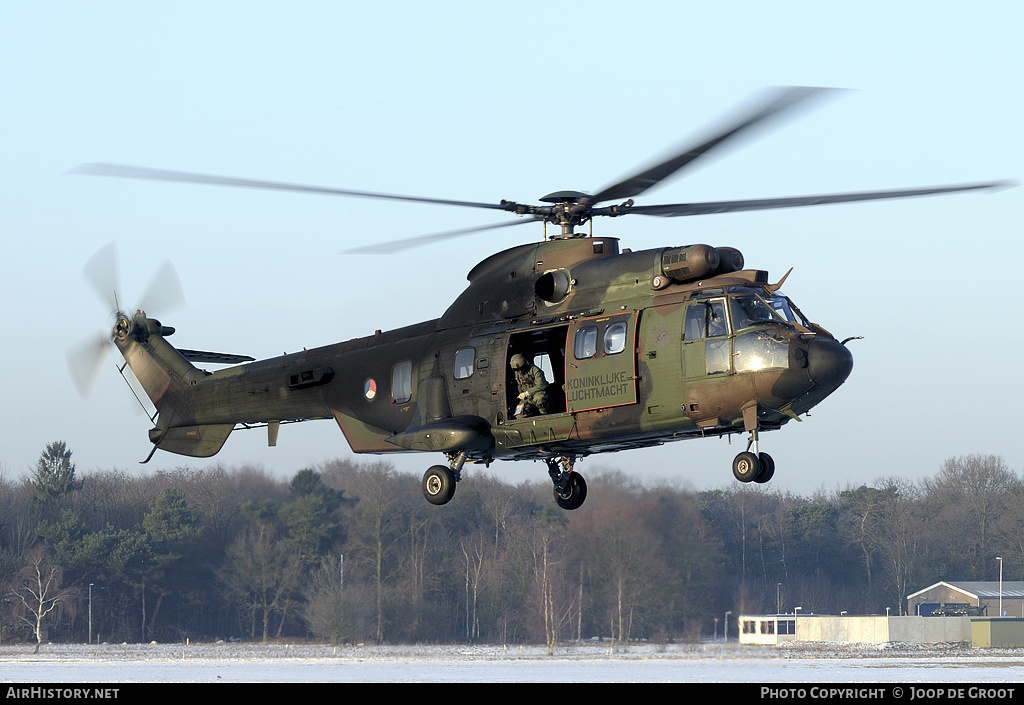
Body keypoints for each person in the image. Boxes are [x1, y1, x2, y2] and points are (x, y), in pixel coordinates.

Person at [510, 353, 548, 418]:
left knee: (540, 399)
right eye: (516, 370)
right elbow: (519, 385)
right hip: (526, 398)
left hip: (537, 394)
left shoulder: (535, 370)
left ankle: (545, 415)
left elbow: (541, 385)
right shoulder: (517, 374)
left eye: (521, 368)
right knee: (518, 414)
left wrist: (527, 393)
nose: (520, 371)